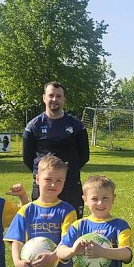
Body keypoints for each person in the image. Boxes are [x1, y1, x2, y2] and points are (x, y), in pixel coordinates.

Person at [23, 81, 90, 215]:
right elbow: (27, 158)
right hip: (43, 184)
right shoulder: (33, 126)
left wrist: (66, 172)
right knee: (43, 225)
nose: (54, 99)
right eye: (51, 95)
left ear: (64, 99)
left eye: (59, 96)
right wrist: (46, 173)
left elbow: (84, 156)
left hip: (70, 184)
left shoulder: (77, 126)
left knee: (72, 227)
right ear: (44, 98)